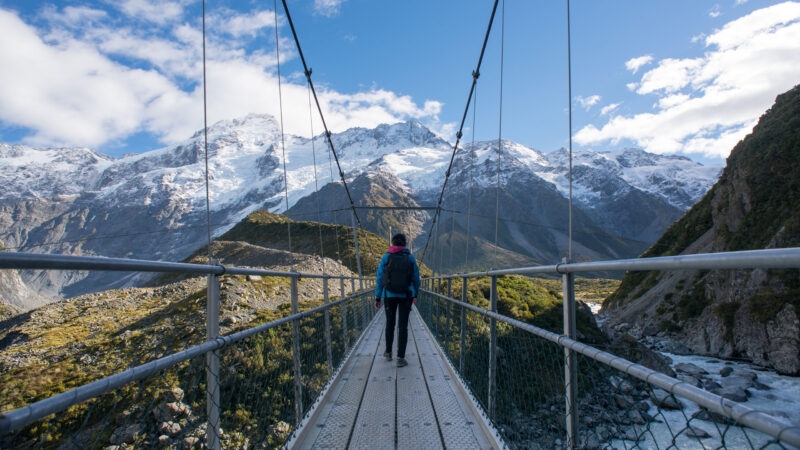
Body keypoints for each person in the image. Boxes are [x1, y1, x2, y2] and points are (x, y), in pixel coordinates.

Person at [374, 233, 421, 367]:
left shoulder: (386, 257)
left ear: (393, 244)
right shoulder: (410, 258)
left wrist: (378, 297)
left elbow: (379, 279)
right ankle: (401, 358)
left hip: (389, 295)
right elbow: (416, 279)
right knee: (403, 326)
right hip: (406, 295)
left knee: (390, 324)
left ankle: (388, 353)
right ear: (405, 244)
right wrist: (415, 293)